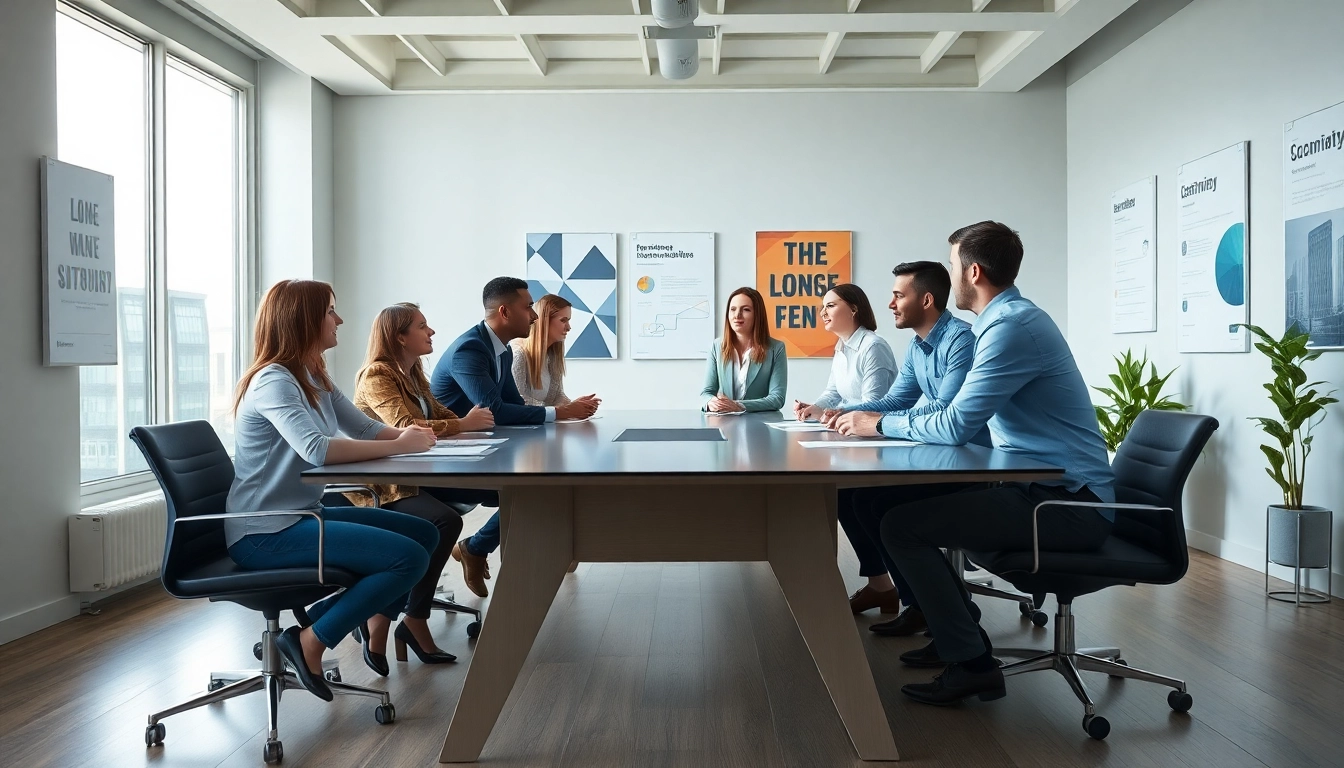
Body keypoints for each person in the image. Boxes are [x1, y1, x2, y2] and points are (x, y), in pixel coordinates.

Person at [835, 221, 1115, 706]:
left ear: (974, 271)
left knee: (902, 526)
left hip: (1067, 503)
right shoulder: (1001, 324)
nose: (949, 277)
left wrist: (876, 426)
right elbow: (943, 415)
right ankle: (954, 634)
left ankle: (972, 663)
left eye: (951, 266)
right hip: (1032, 487)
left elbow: (955, 424)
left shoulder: (1009, 328)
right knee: (880, 502)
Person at [226, 280, 439, 701]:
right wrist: (399, 446)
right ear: (303, 320)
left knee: (425, 534)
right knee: (409, 558)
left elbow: (361, 427)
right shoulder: (274, 381)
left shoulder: (311, 374)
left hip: (302, 514)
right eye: (330, 312)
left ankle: (346, 621)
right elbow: (316, 449)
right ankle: (312, 640)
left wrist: (407, 435)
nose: (339, 320)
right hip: (264, 533)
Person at [817, 263, 980, 629]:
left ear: (926, 299)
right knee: (855, 497)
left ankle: (946, 609)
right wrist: (842, 414)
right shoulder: (917, 347)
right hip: (941, 453)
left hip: (972, 463)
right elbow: (894, 401)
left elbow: (946, 410)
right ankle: (918, 604)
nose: (890, 303)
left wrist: (873, 422)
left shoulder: (961, 340)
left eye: (898, 295)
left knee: (880, 506)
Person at [346, 302, 500, 664]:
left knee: (508, 490)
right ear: (399, 336)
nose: (431, 332)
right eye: (422, 326)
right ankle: (412, 619)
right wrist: (464, 425)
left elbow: (441, 414)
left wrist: (464, 423)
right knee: (445, 520)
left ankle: (472, 557)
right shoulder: (377, 376)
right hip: (383, 485)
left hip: (419, 475)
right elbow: (406, 426)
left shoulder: (412, 372)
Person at [430, 277, 598, 597]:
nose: (533, 316)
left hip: (482, 447)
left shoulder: (501, 351)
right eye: (528, 308)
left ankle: (486, 553)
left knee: (546, 488)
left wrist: (558, 414)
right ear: (505, 312)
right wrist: (560, 414)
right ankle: (485, 556)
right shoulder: (471, 348)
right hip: (448, 457)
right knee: (539, 490)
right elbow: (495, 410)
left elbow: (515, 407)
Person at [792, 283, 896, 421]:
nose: (823, 312)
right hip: (851, 429)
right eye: (823, 307)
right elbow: (833, 393)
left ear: (853, 309)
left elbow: (872, 406)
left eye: (830, 306)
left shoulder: (873, 347)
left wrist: (834, 413)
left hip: (873, 432)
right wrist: (816, 408)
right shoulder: (842, 347)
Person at [509, 293, 600, 413]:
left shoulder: (551, 356)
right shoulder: (519, 355)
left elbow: (557, 397)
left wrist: (578, 405)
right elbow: (519, 401)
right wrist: (566, 409)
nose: (569, 327)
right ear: (544, 322)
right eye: (563, 320)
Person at [701, 287, 787, 413]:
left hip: (761, 425)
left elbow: (777, 398)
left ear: (757, 315)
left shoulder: (776, 348)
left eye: (745, 309)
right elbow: (706, 393)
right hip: (724, 423)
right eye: (733, 309)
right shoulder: (717, 346)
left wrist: (739, 406)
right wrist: (711, 403)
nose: (737, 315)